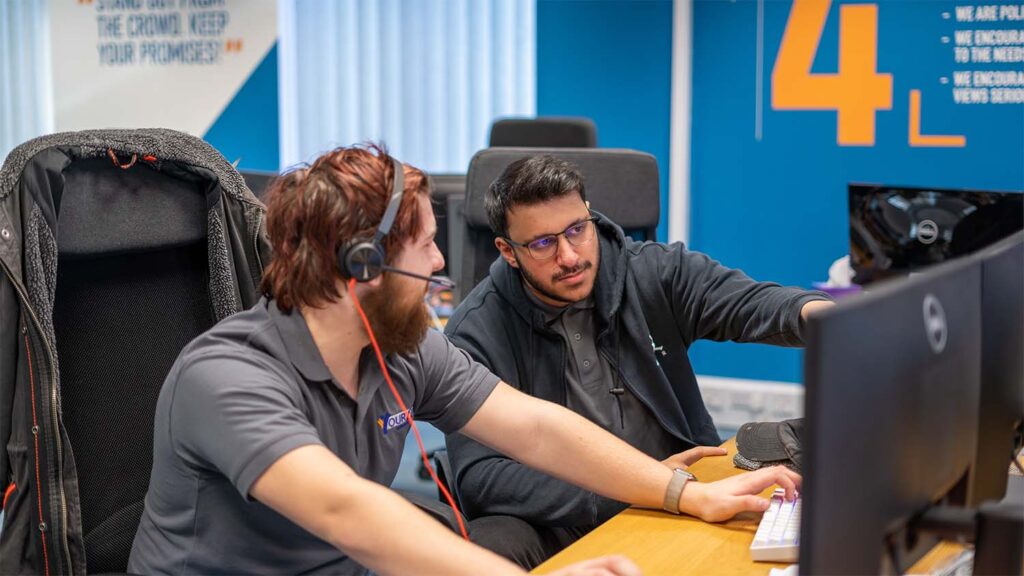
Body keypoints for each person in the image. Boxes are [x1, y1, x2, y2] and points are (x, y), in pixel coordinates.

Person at [127, 145, 799, 576]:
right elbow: (346, 512)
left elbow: (534, 428)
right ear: (365, 267)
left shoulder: (400, 347)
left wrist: (689, 494)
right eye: (425, 246)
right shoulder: (225, 378)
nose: (443, 263)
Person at [444, 155, 832, 565]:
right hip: (559, 518)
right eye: (543, 243)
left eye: (577, 230)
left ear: (590, 216)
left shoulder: (651, 271)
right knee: (488, 544)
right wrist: (635, 485)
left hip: (684, 492)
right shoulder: (475, 330)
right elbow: (481, 477)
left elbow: (750, 304)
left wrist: (821, 316)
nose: (570, 256)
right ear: (507, 250)